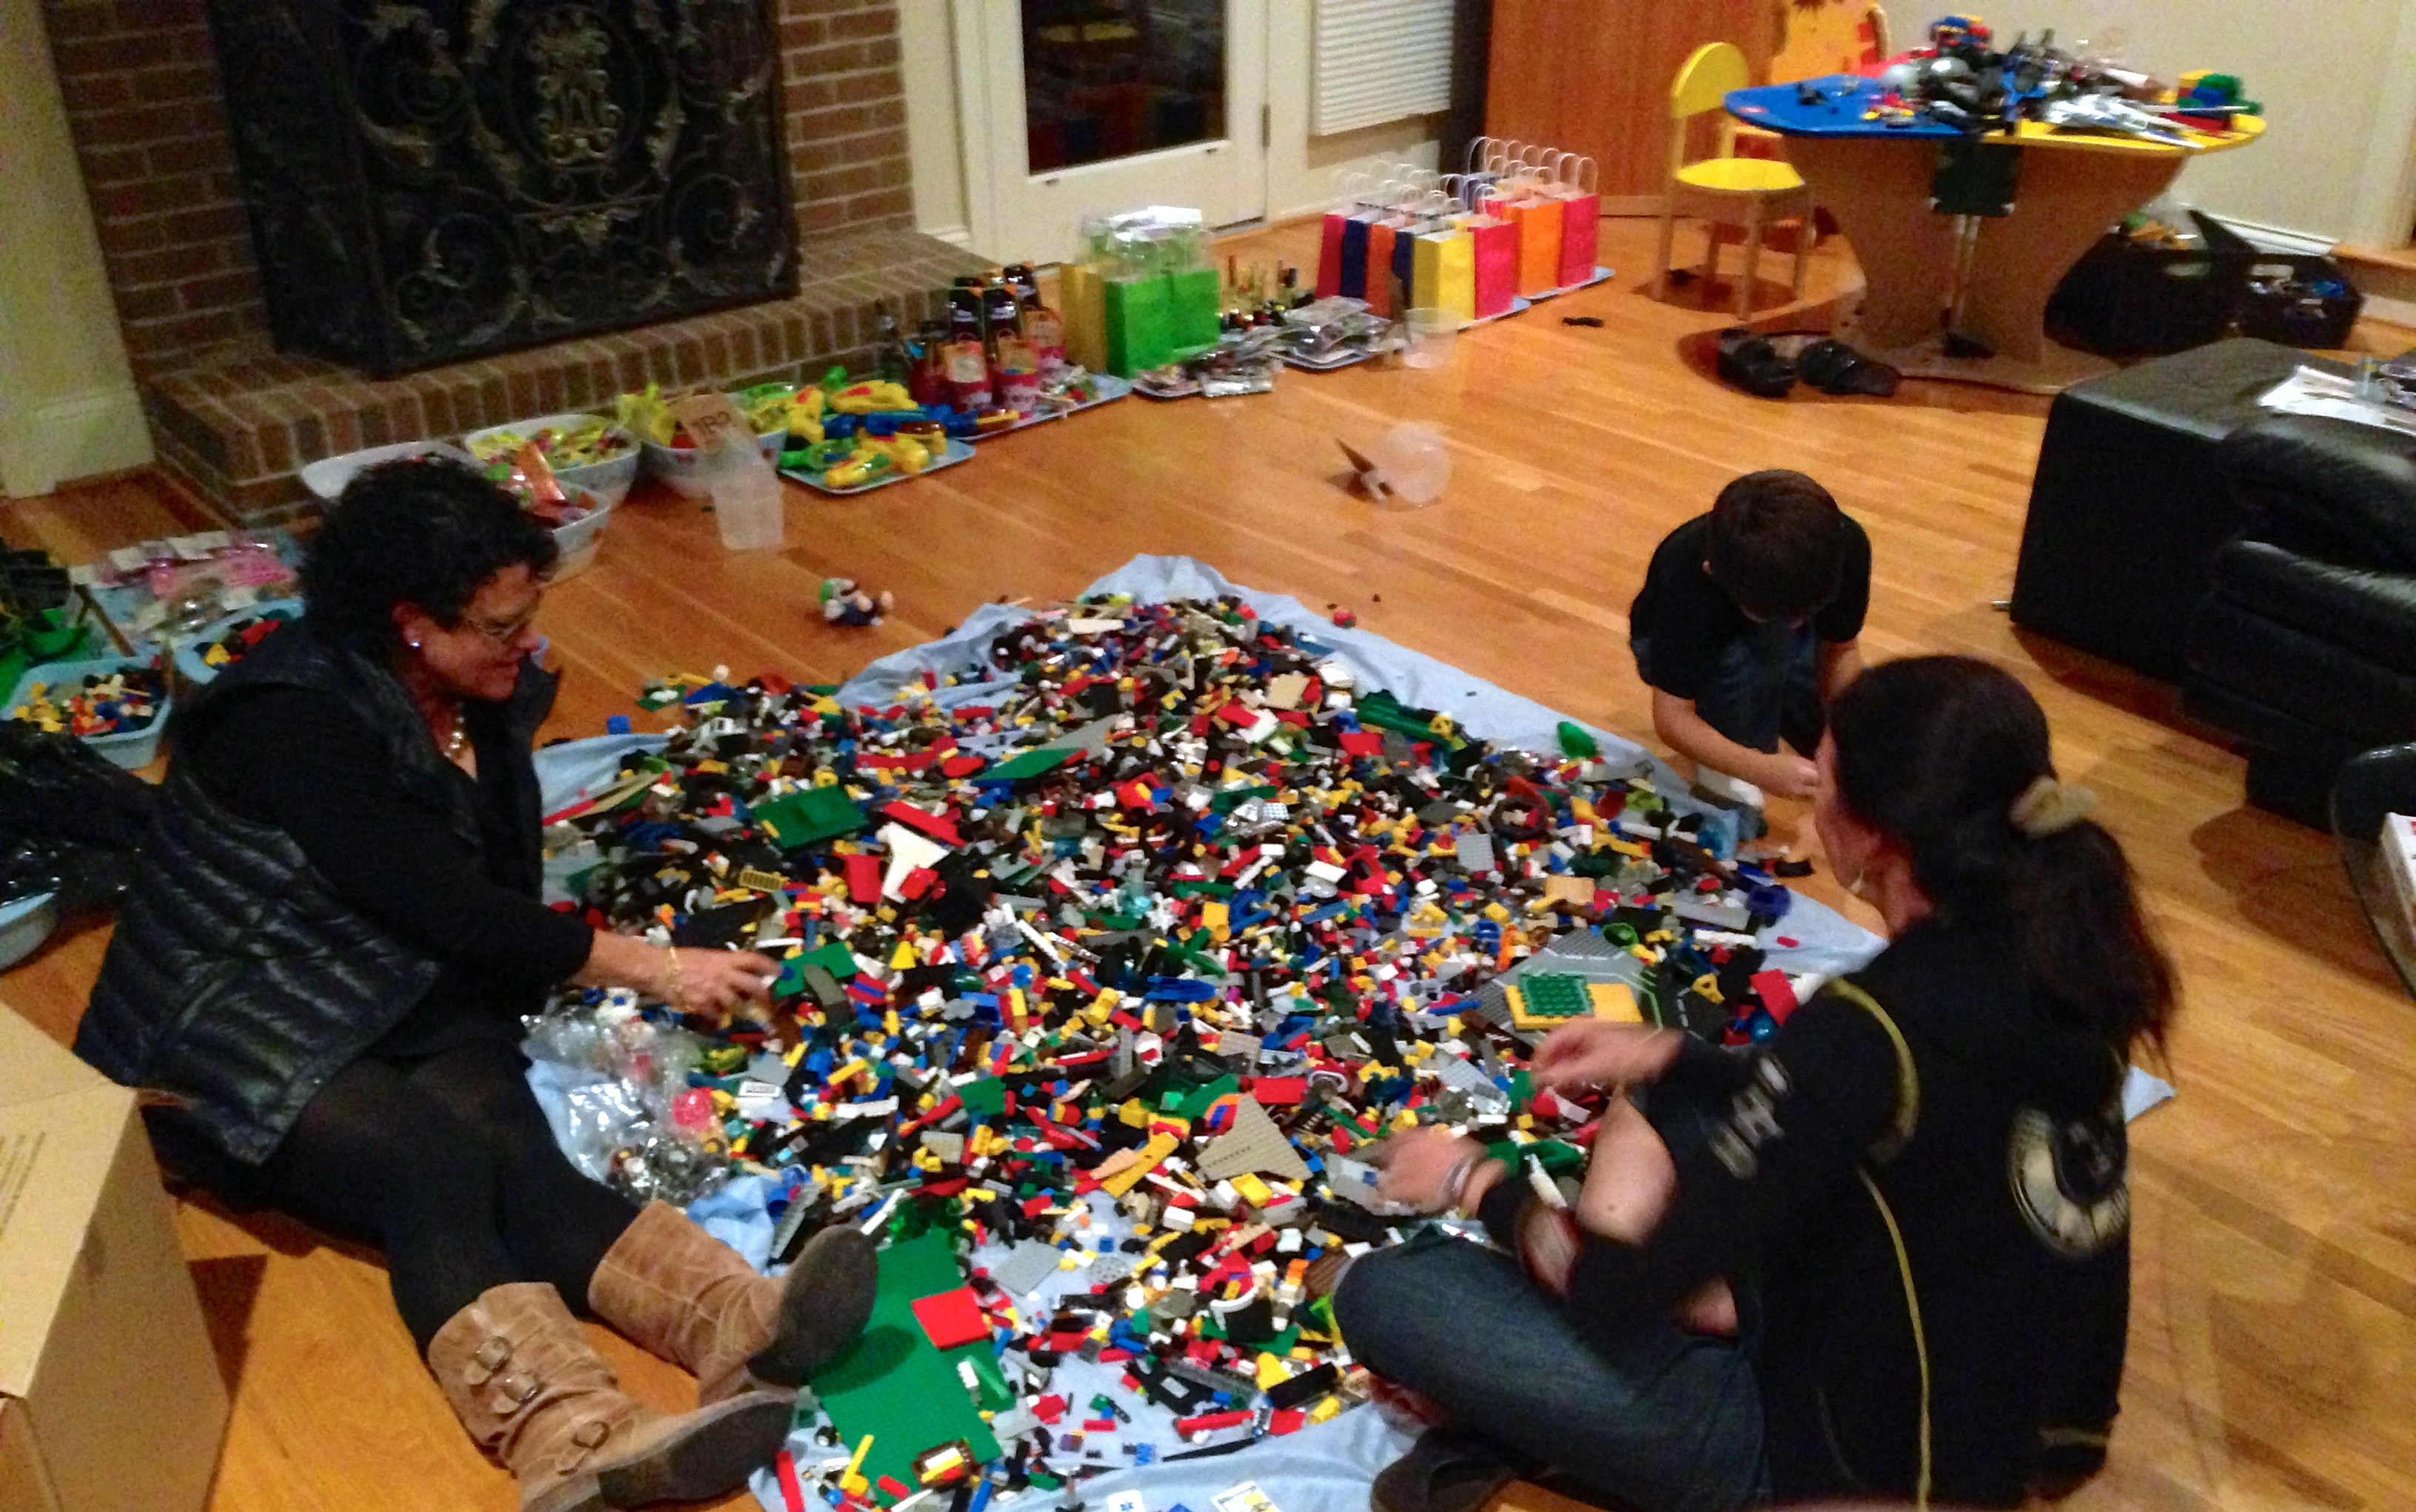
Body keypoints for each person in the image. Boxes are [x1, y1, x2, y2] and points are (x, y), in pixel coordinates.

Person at [76, 459, 874, 1512]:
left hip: (381, 970)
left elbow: (496, 884)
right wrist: (655, 965)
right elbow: (447, 906)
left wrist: (501, 724)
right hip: (228, 1013)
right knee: (432, 1155)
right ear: (412, 621)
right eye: (501, 625)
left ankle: (731, 1316)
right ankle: (566, 1435)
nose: (527, 642)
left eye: (531, 612)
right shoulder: (293, 722)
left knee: (500, 1120)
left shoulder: (475, 685)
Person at [1337, 655, 2174, 1512]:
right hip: (1980, 1418)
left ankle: (1590, 1404)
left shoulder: (1869, 1022)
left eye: (1826, 776)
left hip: (1821, 1465)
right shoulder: (2071, 959)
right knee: (1675, 1100)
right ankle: (1710, 1308)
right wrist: (1672, 1058)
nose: (1811, 791)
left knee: (1390, 1293)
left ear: (1876, 833)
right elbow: (1889, 1116)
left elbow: (1615, 1292)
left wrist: (1469, 1179)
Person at [1630, 470, 1870, 803]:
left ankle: (1779, 700)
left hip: (1757, 618)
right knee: (1744, 792)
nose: (1797, 624)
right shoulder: (1688, 586)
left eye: (1809, 613)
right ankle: (1738, 738)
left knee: (1860, 739)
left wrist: (1850, 729)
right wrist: (1758, 768)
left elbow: (1840, 650)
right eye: (1780, 617)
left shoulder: (1844, 547)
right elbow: (1672, 717)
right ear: (1713, 572)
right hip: (1690, 643)